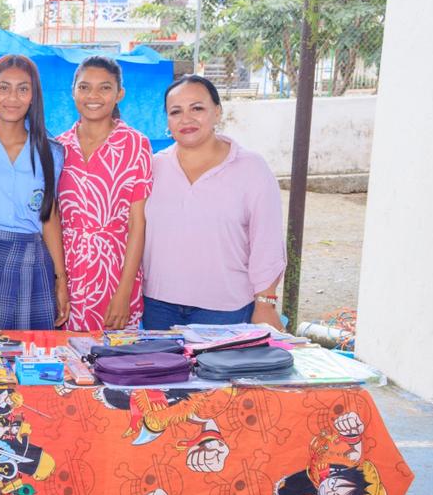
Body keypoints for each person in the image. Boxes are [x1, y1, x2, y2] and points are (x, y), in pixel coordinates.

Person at [141, 75, 285, 330]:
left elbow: (267, 242)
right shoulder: (153, 167)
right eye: (176, 112)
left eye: (197, 108)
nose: (186, 119)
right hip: (158, 306)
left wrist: (265, 304)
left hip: (226, 309)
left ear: (217, 112)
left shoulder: (251, 168)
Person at [0, 55, 68, 330]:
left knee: (33, 346)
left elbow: (49, 217)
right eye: (4, 87)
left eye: (23, 89)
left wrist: (61, 279)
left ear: (33, 97)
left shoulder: (51, 152)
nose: (12, 97)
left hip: (34, 261)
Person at [56, 55, 152, 331]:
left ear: (119, 94)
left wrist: (124, 292)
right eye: (84, 87)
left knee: (115, 353)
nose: (93, 96)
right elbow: (52, 220)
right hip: (68, 277)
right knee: (66, 354)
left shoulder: (136, 144)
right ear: (73, 92)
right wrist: (58, 281)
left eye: (105, 88)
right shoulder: (58, 147)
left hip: (115, 274)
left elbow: (137, 223)